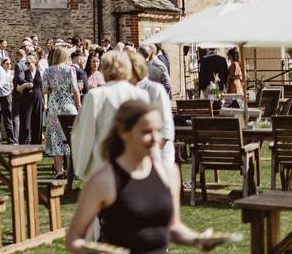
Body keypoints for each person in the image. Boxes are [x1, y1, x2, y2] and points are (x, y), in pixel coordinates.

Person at [65, 100, 217, 254]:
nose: (155, 138)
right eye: (146, 132)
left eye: (158, 130)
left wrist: (196, 239)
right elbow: (74, 239)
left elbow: (172, 226)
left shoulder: (169, 172)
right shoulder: (104, 180)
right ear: (123, 132)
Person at [72, 51, 149, 182]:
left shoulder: (95, 95)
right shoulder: (140, 94)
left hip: (103, 160)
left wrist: (81, 166)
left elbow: (86, 132)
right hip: (133, 159)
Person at [130, 51, 175, 166]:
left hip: (158, 148)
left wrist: (158, 147)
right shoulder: (128, 88)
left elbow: (166, 123)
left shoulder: (155, 89)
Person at [44, 46, 80, 177]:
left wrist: (54, 89)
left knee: (56, 139)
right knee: (71, 138)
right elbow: (75, 90)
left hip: (54, 107)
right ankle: (73, 170)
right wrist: (79, 105)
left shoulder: (48, 71)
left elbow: (44, 90)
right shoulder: (70, 70)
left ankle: (59, 170)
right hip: (68, 106)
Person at [15, 52, 44, 144]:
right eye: (26, 63)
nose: (27, 65)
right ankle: (24, 145)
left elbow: (44, 88)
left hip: (38, 97)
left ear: (34, 62)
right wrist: (25, 85)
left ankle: (36, 144)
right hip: (26, 99)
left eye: (29, 63)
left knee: (37, 122)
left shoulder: (41, 72)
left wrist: (45, 102)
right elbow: (18, 89)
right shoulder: (23, 73)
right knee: (25, 122)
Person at [0, 54, 16, 144]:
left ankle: (11, 141)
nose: (9, 65)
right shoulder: (0, 71)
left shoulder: (2, 73)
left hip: (5, 98)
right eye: (7, 63)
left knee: (7, 120)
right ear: (3, 64)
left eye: (10, 63)